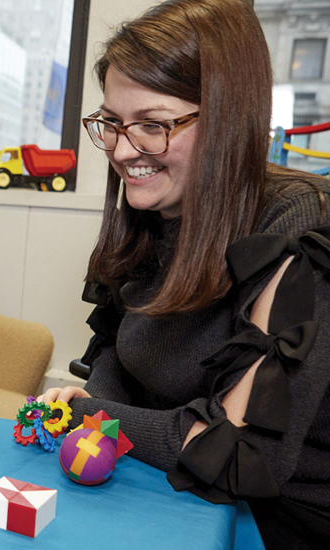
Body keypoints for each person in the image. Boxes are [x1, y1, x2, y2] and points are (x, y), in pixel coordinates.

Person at [39, 1, 330, 548]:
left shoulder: (297, 225)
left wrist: (89, 413)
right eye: (112, 123)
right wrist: (93, 410)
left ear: (226, 118)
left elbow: (237, 450)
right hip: (166, 485)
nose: (123, 152)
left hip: (277, 523)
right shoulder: (153, 212)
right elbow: (116, 359)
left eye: (152, 125)